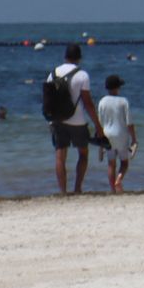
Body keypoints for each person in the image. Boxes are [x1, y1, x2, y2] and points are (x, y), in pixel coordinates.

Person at [49, 43, 106, 195]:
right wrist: (98, 125)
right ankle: (77, 188)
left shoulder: (52, 74)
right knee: (83, 154)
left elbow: (49, 100)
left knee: (60, 156)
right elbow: (88, 103)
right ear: (79, 58)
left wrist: (51, 120)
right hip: (78, 121)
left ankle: (63, 191)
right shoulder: (82, 75)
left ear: (65, 56)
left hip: (58, 120)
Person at [97, 75, 137, 193]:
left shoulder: (102, 102)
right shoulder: (123, 101)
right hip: (121, 134)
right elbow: (129, 123)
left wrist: (100, 141)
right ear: (117, 87)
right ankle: (119, 179)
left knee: (111, 164)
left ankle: (112, 190)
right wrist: (134, 139)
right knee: (124, 163)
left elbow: (100, 123)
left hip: (107, 135)